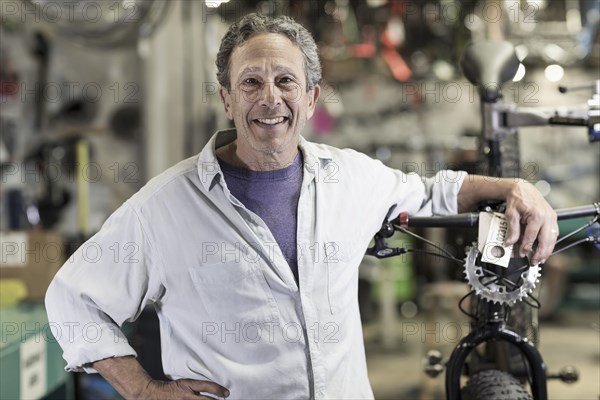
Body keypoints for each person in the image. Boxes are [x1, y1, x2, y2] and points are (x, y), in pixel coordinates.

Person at [45, 13, 558, 400]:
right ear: (227, 99)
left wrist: (516, 188)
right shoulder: (164, 206)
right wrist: (141, 389)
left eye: (285, 81)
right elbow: (73, 301)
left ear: (311, 98)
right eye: (251, 82)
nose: (270, 98)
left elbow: (433, 191)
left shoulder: (352, 179)